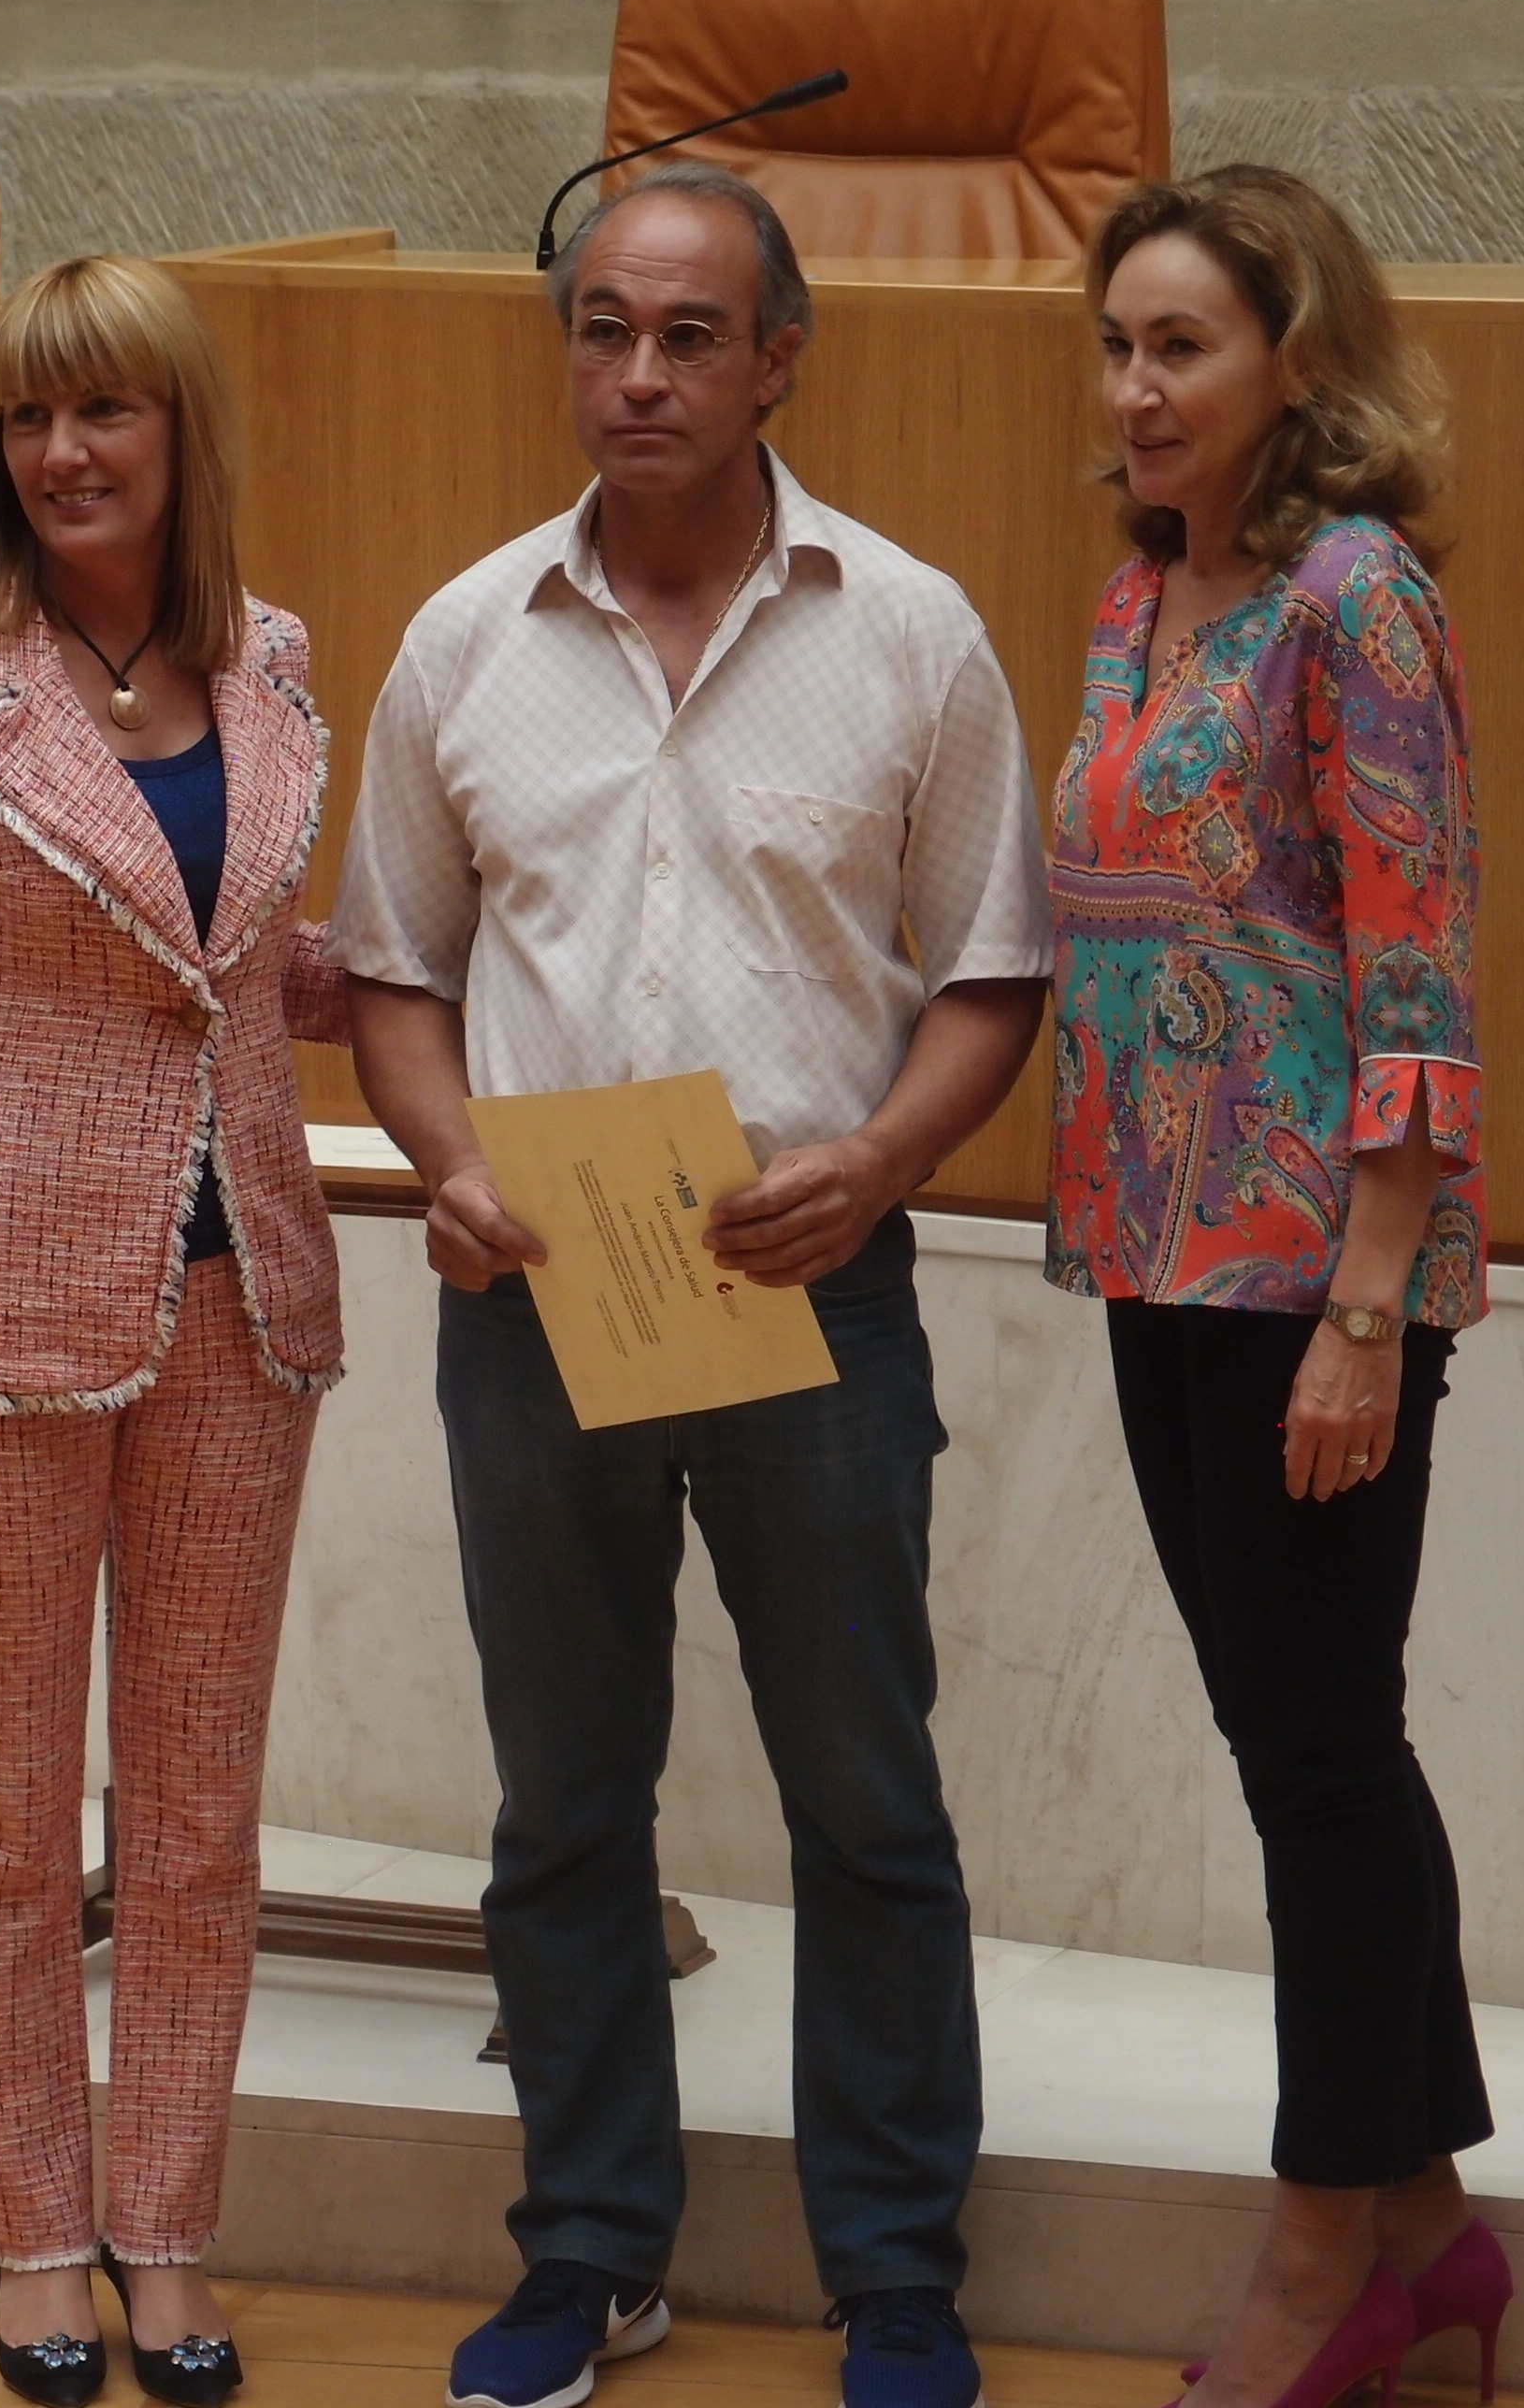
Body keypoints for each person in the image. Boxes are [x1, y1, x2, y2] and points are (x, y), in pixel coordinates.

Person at [333, 162, 1052, 2408]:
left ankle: (896, 2280)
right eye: (603, 331)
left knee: (869, 1805)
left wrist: (882, 1161)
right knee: (564, 1806)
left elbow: (996, 970)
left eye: (688, 337)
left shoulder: (907, 630)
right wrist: (451, 1167)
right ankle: (590, 2257)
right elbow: (394, 972)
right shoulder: (466, 639)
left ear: (778, 364)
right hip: (540, 1291)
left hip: (811, 1286)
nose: (637, 375)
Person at [0, 254, 348, 2408]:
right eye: (28, 417)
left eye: (104, 410)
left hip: (246, 1310)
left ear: (180, 429)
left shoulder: (276, 661)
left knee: (202, 1818)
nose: (62, 452)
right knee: (10, 1823)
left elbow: (244, 963)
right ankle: (35, 2235)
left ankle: (167, 2228)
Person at [1048, 165, 1505, 2408]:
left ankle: (1327, 2249)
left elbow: (1417, 965)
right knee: (1294, 1743)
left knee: (1322, 1756)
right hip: (1151, 1248)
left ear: (1293, 360)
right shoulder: (1141, 594)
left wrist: (1369, 1306)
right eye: (1116, 346)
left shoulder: (1358, 599)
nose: (1135, 389)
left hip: (1317, 1269)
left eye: (1181, 347)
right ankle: (1429, 2216)